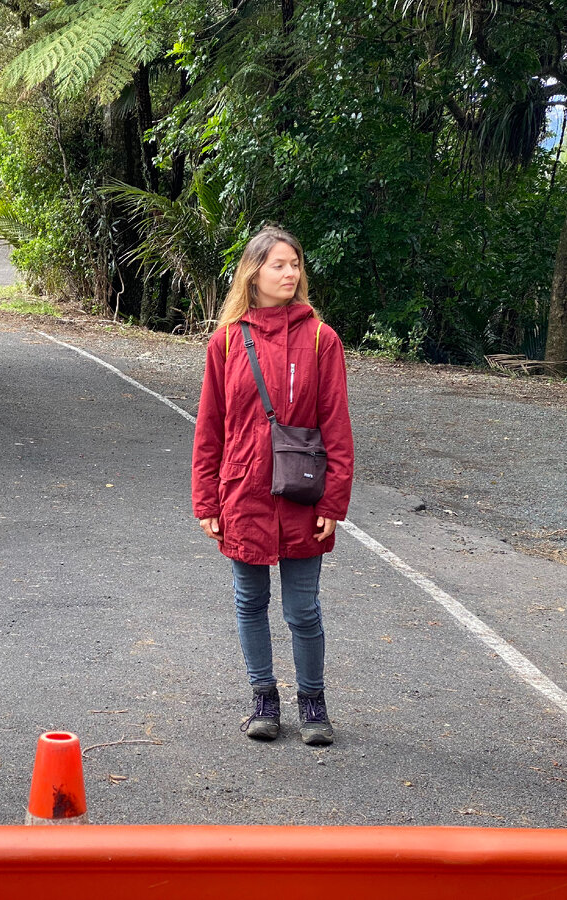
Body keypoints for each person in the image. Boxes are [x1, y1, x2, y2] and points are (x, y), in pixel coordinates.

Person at [191, 225, 354, 745]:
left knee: (302, 608)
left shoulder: (321, 339)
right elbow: (209, 425)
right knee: (249, 600)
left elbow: (337, 424)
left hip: (304, 492)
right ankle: (264, 697)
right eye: (279, 264)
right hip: (243, 490)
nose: (290, 273)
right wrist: (206, 498)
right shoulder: (227, 341)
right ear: (253, 273)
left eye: (295, 264)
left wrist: (335, 497)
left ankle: (313, 702)